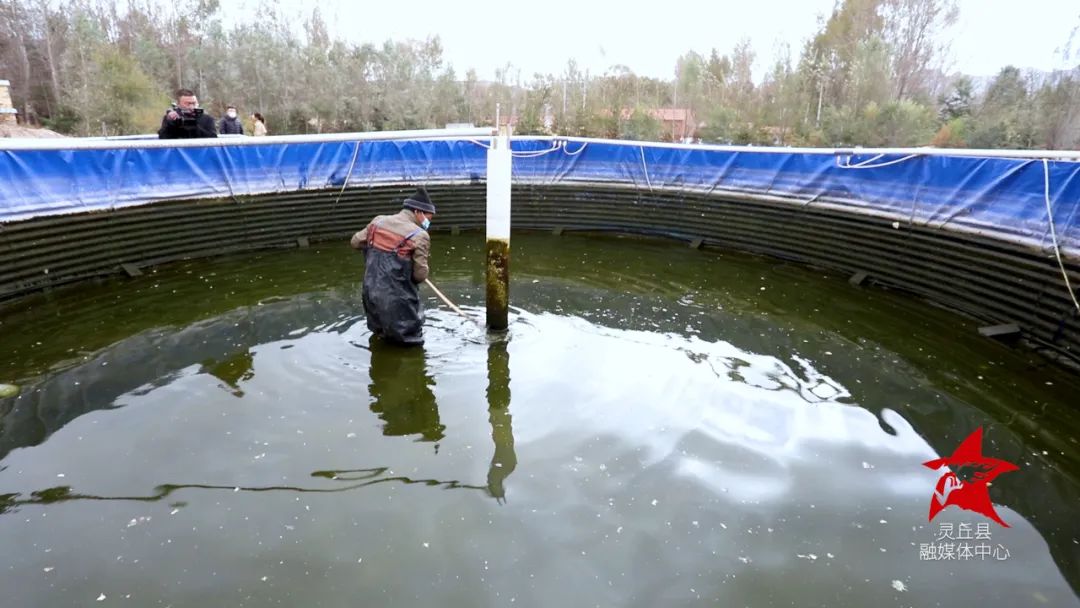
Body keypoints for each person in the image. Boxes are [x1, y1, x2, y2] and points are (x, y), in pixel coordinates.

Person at [350, 187, 435, 345]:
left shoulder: (378, 222)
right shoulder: (419, 235)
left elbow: (355, 242)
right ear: (418, 212)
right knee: (409, 343)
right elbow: (420, 275)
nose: (427, 223)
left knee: (380, 337)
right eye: (428, 218)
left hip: (371, 294)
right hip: (399, 302)